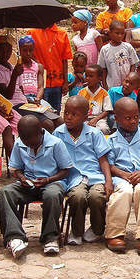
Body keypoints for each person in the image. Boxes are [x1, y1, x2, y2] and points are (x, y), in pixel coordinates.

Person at [0, 116, 72, 258]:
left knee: (52, 194)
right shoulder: (20, 144)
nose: (30, 146)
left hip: (51, 182)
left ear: (41, 132)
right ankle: (15, 237)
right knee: (6, 192)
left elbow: (65, 170)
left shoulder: (56, 143)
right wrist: (22, 178)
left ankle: (50, 238)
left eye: (33, 142)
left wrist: (48, 179)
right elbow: (16, 169)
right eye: (27, 142)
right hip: (29, 184)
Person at [53, 96, 112, 245]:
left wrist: (108, 180)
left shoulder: (94, 133)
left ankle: (97, 229)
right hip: (72, 178)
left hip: (95, 176)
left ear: (85, 117)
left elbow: (103, 160)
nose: (68, 117)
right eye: (66, 113)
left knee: (97, 196)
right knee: (78, 196)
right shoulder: (58, 134)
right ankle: (76, 231)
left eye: (74, 114)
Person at [105, 97, 140, 254]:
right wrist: (123, 174)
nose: (133, 121)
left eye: (136, 117)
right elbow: (109, 164)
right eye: (128, 118)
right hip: (121, 178)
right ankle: (114, 233)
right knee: (124, 192)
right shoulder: (112, 140)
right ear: (116, 118)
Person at [0, 35, 61, 133]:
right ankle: (44, 146)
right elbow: (7, 95)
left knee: (60, 121)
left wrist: (31, 100)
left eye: (8, 51)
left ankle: (56, 146)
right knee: (48, 124)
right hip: (14, 105)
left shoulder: (14, 67)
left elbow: (21, 89)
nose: (5, 54)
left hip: (26, 103)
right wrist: (14, 76)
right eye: (1, 51)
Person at [28, 23, 73, 113]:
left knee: (56, 111)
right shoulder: (32, 33)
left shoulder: (62, 34)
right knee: (41, 112)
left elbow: (64, 60)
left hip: (57, 82)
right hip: (39, 82)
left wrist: (65, 82)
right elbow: (28, 54)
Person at [98, 20, 139, 90]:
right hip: (112, 85)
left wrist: (130, 80)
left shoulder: (128, 47)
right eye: (117, 33)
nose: (120, 36)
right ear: (110, 33)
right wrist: (104, 85)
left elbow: (133, 64)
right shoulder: (104, 49)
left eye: (122, 33)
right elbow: (103, 69)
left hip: (127, 86)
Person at [78, 64, 112, 135]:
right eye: (86, 76)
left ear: (99, 78)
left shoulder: (104, 93)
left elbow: (107, 110)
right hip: (84, 118)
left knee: (103, 129)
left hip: (99, 119)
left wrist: (95, 119)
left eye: (91, 76)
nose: (87, 78)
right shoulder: (81, 92)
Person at [19, 35, 47, 105]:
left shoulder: (38, 66)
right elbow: (18, 87)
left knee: (51, 112)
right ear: (20, 50)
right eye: (25, 50)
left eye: (30, 50)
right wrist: (25, 99)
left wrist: (38, 98)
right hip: (22, 98)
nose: (28, 53)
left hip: (35, 97)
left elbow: (41, 87)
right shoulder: (16, 67)